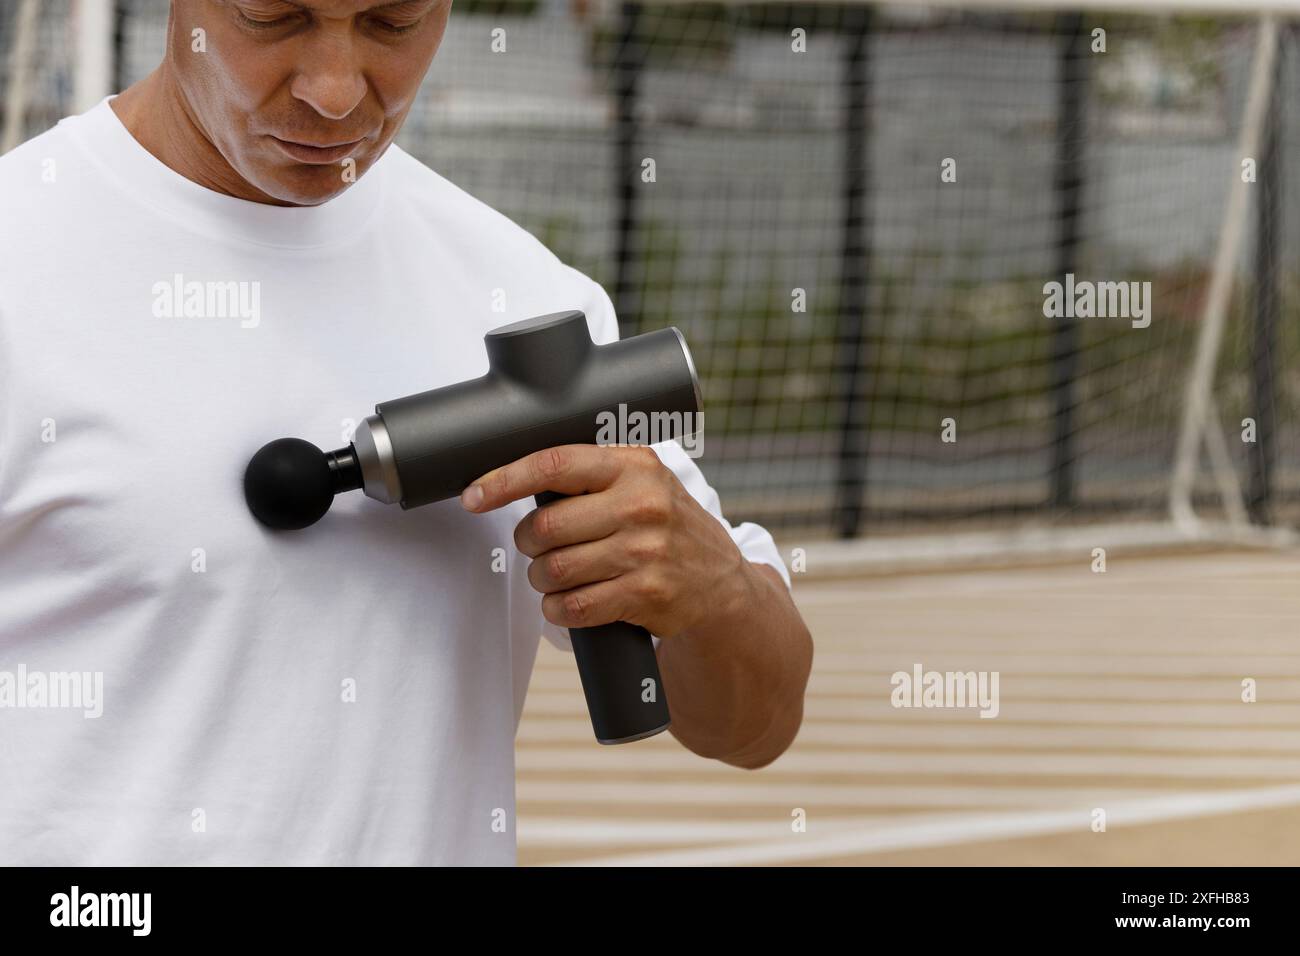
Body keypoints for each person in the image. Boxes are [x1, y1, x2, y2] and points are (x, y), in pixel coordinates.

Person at [0, 0, 812, 865]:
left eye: (392, 22)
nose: (337, 92)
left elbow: (754, 726)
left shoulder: (522, 299)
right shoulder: (21, 257)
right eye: (277, 18)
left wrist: (713, 590)